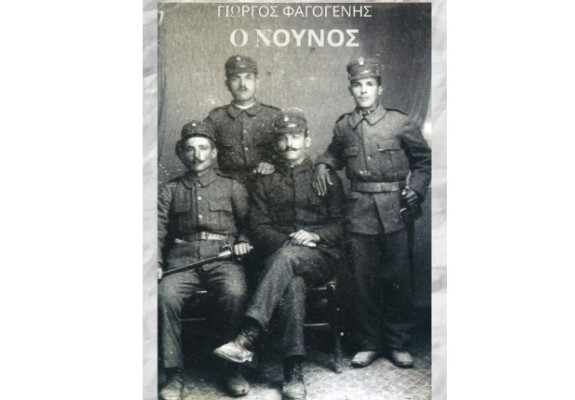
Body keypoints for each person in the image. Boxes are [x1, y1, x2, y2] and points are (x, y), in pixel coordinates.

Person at [213, 110, 345, 400]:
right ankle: (293, 371)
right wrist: (289, 242)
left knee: (288, 259)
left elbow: (341, 225)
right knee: (292, 285)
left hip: (319, 257)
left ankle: (248, 335)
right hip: (281, 259)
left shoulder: (325, 177)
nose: (290, 144)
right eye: (283, 139)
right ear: (275, 144)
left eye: (296, 137)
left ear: (307, 140)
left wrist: (314, 236)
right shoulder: (265, 180)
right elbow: (258, 227)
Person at [312, 58, 431, 369]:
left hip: (396, 209)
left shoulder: (399, 122)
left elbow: (423, 161)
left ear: (380, 88)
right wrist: (322, 164)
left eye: (369, 84)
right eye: (357, 85)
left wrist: (417, 189)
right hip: (358, 211)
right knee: (363, 281)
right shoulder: (344, 126)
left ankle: (397, 343)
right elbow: (333, 154)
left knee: (398, 279)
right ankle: (369, 343)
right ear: (350, 89)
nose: (363, 90)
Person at [157, 121, 253, 400]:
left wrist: (243, 240)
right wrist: (156, 263)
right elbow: (156, 230)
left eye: (203, 148)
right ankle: (174, 373)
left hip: (223, 258)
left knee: (234, 293)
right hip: (182, 261)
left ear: (214, 152)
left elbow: (249, 224)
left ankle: (230, 368)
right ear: (181, 153)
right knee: (165, 297)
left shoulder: (232, 187)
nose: (197, 155)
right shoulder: (170, 190)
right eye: (190, 149)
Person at [204, 55, 280, 186]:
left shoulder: (274, 116)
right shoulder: (216, 118)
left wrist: (273, 163)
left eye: (248, 78)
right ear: (227, 84)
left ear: (257, 82)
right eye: (235, 79)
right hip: (228, 187)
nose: (242, 85)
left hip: (268, 185)